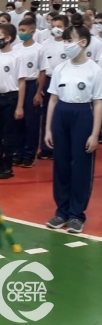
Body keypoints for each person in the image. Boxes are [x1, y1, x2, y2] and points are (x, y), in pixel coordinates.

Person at [44, 14, 102, 234]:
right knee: (61, 165)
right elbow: (53, 99)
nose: (67, 44)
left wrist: (94, 134)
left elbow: (98, 103)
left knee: (80, 166)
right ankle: (62, 211)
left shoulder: (95, 71)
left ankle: (77, 214)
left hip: (83, 114)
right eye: (65, 41)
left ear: (83, 43)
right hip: (62, 114)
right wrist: (48, 128)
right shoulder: (60, 69)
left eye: (70, 40)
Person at [0, 23, 26, 179]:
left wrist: (20, 106)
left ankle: (7, 166)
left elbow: (21, 82)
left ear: (8, 38)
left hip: (11, 98)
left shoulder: (16, 57)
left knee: (9, 134)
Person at [13, 17, 48, 168]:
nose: (21, 33)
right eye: (19, 30)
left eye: (23, 31)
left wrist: (38, 92)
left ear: (32, 32)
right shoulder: (16, 48)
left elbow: (42, 71)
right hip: (17, 85)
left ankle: (29, 155)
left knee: (31, 123)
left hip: (31, 84)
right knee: (18, 121)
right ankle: (18, 152)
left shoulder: (39, 49)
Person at [37, 14, 70, 160]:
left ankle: (63, 147)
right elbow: (42, 68)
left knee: (63, 115)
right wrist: (40, 87)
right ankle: (46, 147)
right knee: (46, 114)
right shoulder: (45, 44)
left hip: (65, 83)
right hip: (49, 81)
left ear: (66, 28)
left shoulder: (69, 45)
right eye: (54, 26)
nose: (56, 29)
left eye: (60, 27)